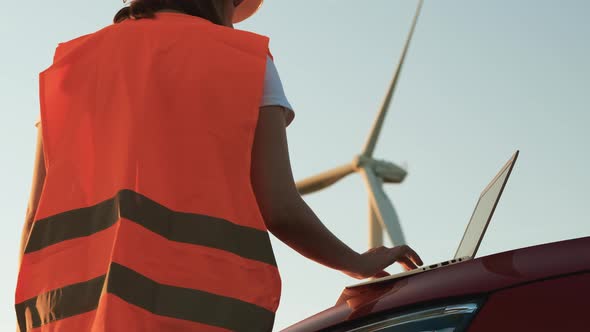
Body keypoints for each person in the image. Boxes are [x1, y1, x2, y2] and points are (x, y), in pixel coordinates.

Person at [16, 0, 423, 331]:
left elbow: (36, 216)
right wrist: (359, 262)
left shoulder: (69, 67)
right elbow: (280, 208)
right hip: (203, 314)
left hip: (66, 318)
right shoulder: (246, 61)